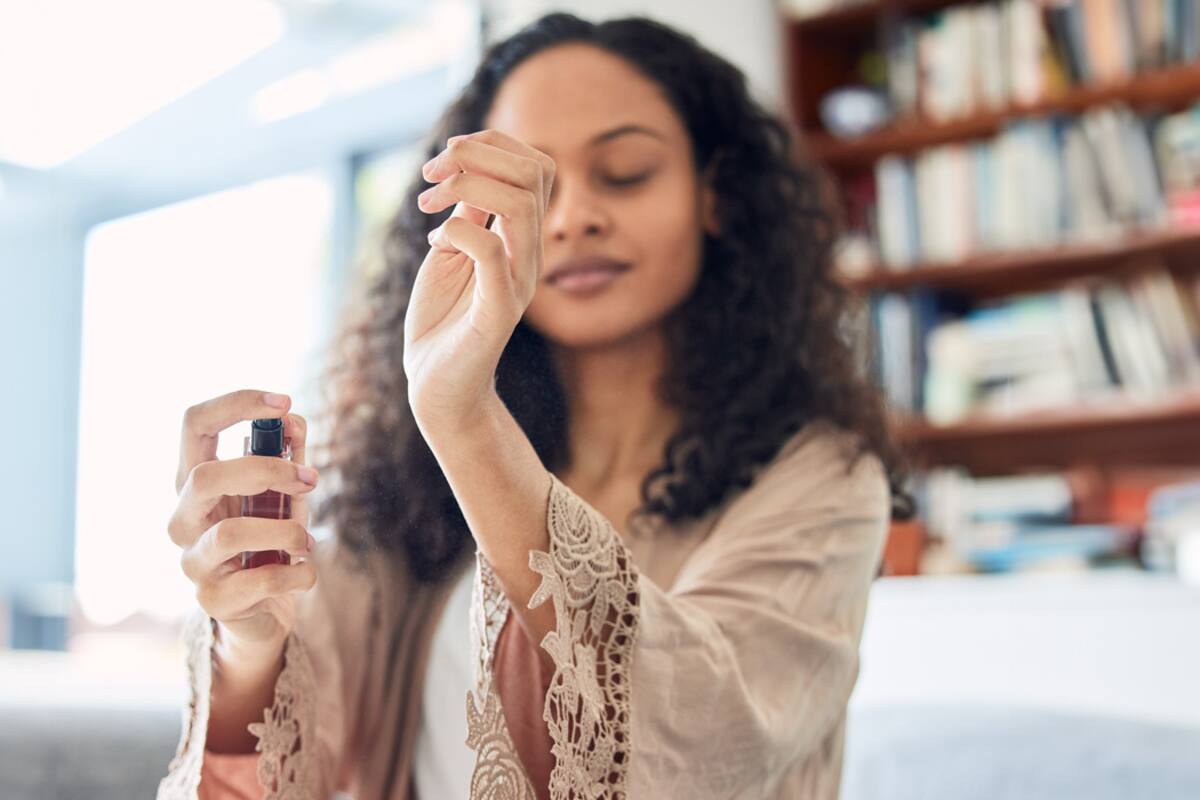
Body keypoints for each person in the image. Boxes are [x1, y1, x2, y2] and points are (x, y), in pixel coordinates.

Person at [157, 11, 914, 800]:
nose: (573, 215)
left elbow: (701, 745)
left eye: (625, 173)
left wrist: (464, 416)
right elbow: (286, 746)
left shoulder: (820, 479)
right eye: (531, 186)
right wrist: (248, 630)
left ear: (715, 196)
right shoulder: (410, 488)